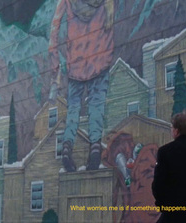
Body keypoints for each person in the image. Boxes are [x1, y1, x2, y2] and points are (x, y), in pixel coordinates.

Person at [48, 0, 113, 171]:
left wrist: (55, 68)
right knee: (96, 104)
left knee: (74, 107)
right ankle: (95, 149)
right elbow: (111, 22)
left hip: (75, 62)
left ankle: (67, 148)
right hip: (99, 59)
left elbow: (54, 29)